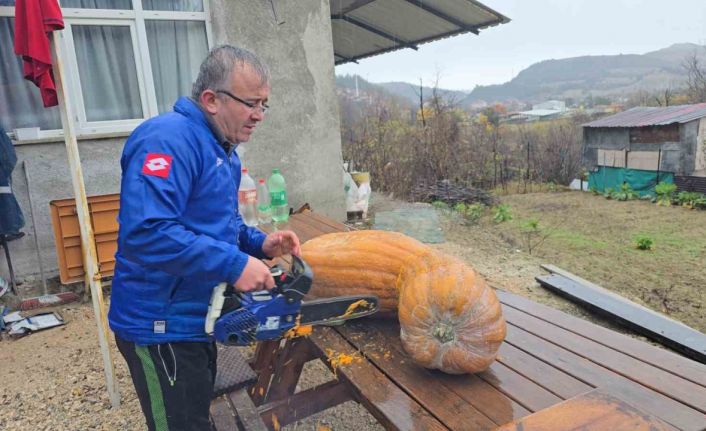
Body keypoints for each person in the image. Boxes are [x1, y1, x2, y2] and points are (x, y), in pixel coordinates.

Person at [108, 45, 301, 431]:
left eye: (264, 104)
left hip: (195, 318)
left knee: (195, 415)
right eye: (251, 104)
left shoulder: (224, 152)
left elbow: (219, 224)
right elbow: (146, 232)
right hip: (160, 326)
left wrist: (257, 244)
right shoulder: (167, 139)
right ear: (211, 99)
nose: (259, 115)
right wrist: (233, 264)